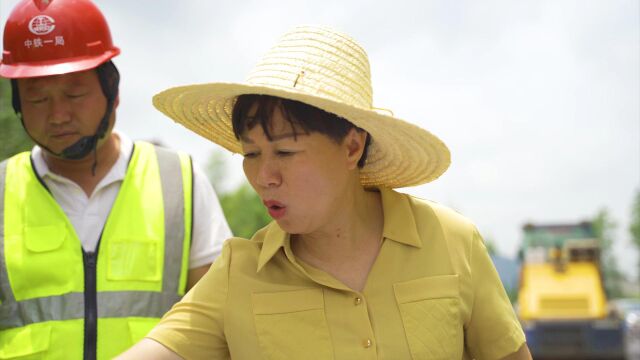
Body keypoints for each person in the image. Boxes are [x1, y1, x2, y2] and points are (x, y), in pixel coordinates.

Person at [119, 26, 532, 359]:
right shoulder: (237, 274)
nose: (263, 176)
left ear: (351, 146)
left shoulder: (452, 241)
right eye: (250, 153)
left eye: (284, 151)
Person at [0, 0, 232, 359]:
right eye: (38, 98)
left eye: (75, 94)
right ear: (17, 102)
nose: (58, 114)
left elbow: (220, 319)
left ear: (113, 90)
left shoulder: (180, 181)